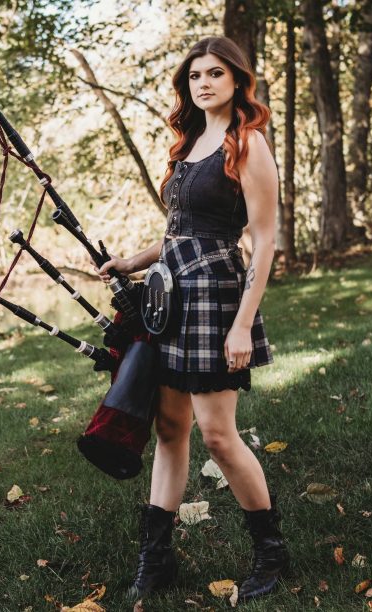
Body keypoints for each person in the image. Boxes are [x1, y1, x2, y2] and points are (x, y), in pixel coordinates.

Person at [97, 37, 288, 603]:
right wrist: (132, 261)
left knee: (218, 436)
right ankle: (157, 559)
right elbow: (179, 231)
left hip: (216, 298)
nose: (204, 83)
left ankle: (271, 551)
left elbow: (265, 240)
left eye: (215, 74)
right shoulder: (190, 143)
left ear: (237, 82)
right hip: (170, 297)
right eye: (196, 75)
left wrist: (241, 325)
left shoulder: (247, 143)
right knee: (170, 429)